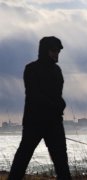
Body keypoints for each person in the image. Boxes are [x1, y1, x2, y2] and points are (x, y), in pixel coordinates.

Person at [8, 36, 71, 180]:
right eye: (53, 50)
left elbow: (58, 94)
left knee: (61, 159)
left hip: (54, 122)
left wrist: (61, 105)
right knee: (23, 157)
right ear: (45, 51)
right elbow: (34, 95)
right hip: (34, 122)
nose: (57, 54)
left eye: (58, 51)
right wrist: (57, 106)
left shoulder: (57, 70)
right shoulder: (31, 69)